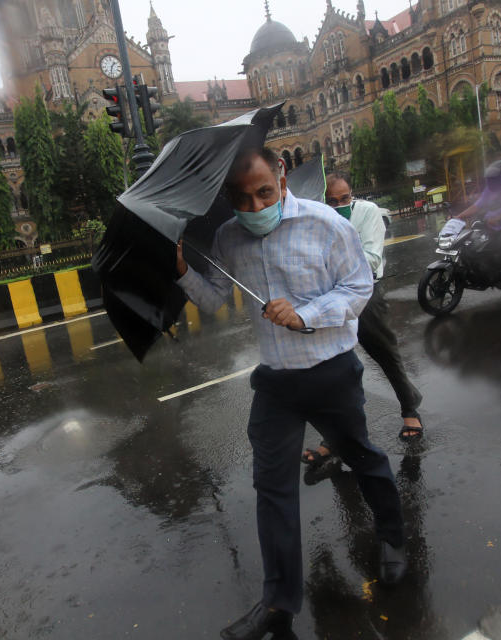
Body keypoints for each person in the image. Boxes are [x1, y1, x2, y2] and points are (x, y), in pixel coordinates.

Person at [175, 147, 407, 640]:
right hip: (276, 382)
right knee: (272, 489)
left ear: (280, 177)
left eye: (263, 193)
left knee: (362, 455)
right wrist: (182, 272)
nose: (255, 208)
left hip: (331, 372)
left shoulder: (326, 224)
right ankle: (278, 603)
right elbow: (214, 297)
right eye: (242, 200)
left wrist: (307, 314)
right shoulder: (228, 236)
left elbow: (358, 288)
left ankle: (392, 537)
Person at [301, 174, 426, 476]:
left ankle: (409, 407)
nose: (339, 205)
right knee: (334, 369)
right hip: (330, 300)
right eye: (332, 201)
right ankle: (334, 438)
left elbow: (370, 260)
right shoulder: (316, 219)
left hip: (366, 294)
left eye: (345, 199)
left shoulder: (367, 213)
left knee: (384, 352)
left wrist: (333, 253)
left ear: (351, 196)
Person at [455, 159, 501, 285]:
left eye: (494, 179)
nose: (491, 182)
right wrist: (459, 216)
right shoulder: (490, 190)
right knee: (476, 241)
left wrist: (499, 218)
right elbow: (477, 206)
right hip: (494, 225)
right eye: (490, 179)